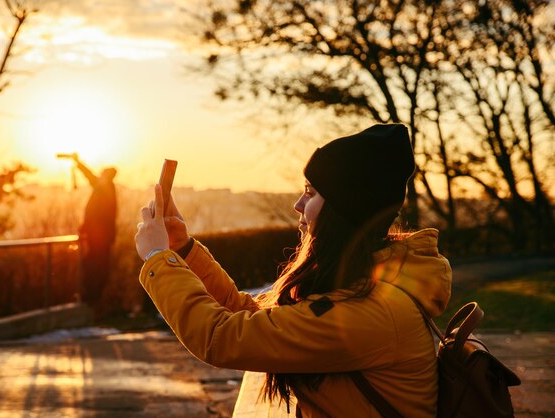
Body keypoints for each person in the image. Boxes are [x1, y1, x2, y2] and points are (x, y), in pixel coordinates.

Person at [135, 124, 452, 417]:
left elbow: (223, 337)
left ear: (344, 209)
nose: (298, 205)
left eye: (311, 193)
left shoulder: (370, 313)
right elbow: (252, 318)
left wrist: (157, 256)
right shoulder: (363, 285)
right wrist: (182, 248)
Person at [70, 154, 117, 312]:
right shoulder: (105, 188)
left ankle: (91, 299)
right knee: (95, 266)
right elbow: (90, 176)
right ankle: (92, 299)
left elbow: (89, 176)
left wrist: (78, 163)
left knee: (94, 266)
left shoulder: (104, 188)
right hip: (100, 236)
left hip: (99, 236)